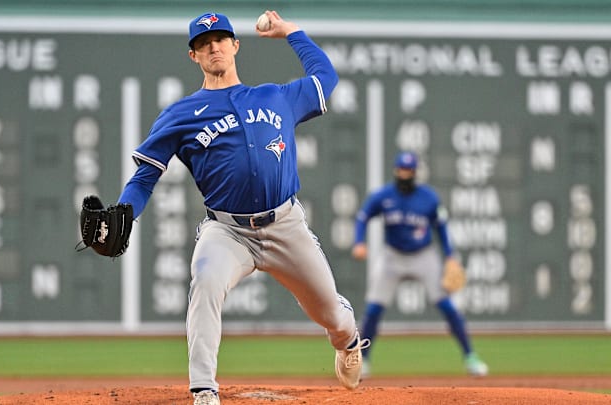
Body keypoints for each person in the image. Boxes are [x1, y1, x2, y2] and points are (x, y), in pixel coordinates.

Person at [116, 10, 369, 405]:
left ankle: (348, 340)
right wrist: (125, 213)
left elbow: (325, 77)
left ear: (235, 45)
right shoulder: (180, 114)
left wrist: (292, 32)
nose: (212, 46)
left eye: (220, 39)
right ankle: (203, 389)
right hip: (227, 231)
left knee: (330, 315)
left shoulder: (275, 96)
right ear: (193, 56)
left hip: (285, 224)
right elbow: (145, 176)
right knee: (205, 279)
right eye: (203, 42)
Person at [351, 151, 489, 378]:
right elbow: (363, 216)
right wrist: (359, 241)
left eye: (408, 171)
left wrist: (450, 255)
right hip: (392, 256)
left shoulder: (429, 198)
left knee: (447, 307)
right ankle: (363, 361)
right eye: (401, 170)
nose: (404, 174)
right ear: (396, 171)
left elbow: (441, 228)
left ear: (415, 172)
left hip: (423, 256)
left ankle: (470, 357)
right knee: (374, 309)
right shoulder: (384, 195)